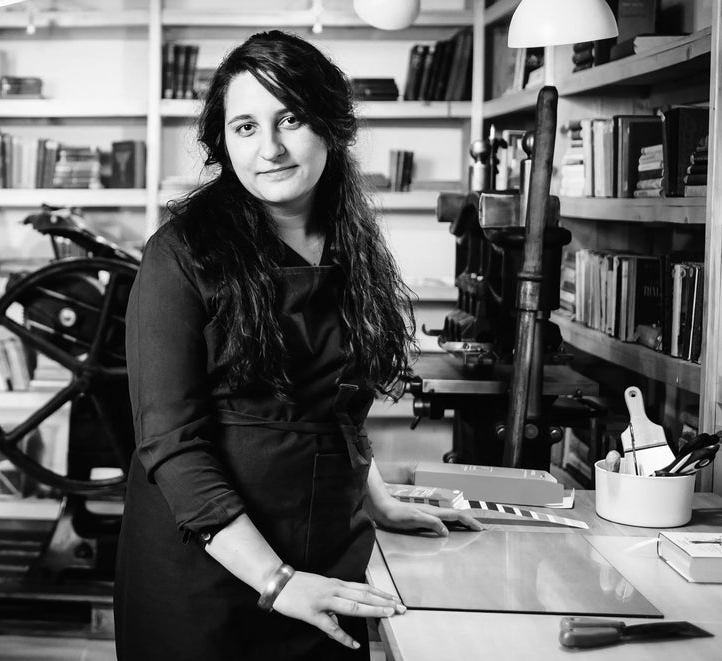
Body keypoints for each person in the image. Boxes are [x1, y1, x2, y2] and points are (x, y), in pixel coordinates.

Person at [115, 29, 482, 661]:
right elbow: (169, 443)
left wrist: (381, 501)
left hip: (328, 551)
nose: (272, 148)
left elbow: (338, 408)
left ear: (331, 126)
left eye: (290, 118)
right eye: (246, 127)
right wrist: (277, 581)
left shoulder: (354, 248)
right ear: (223, 143)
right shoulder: (180, 255)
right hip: (208, 572)